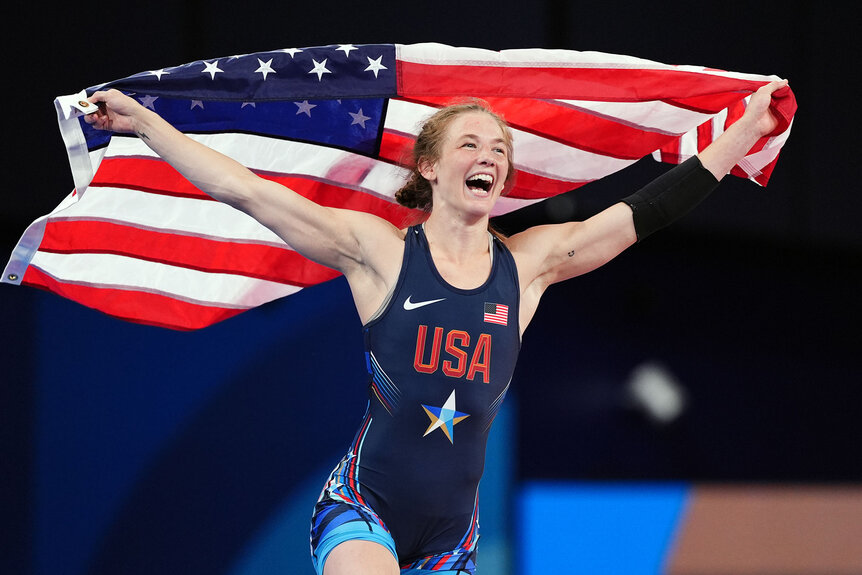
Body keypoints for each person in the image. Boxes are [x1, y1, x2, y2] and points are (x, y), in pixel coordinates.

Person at [86, 78, 788, 574]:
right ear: (428, 166)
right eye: (471, 144)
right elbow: (247, 189)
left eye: (500, 150)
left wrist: (743, 133)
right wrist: (147, 123)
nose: (490, 156)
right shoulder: (380, 251)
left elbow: (641, 215)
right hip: (362, 509)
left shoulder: (530, 265)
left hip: (454, 539)